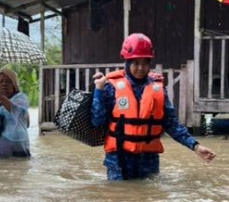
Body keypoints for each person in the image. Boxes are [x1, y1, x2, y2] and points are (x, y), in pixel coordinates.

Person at [92, 33, 216, 180]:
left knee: (150, 199)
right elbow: (97, 121)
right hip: (119, 158)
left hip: (148, 159)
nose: (140, 68)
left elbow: (172, 125)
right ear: (126, 62)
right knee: (120, 197)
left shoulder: (158, 89)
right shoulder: (110, 87)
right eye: (135, 63)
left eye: (145, 63)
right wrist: (98, 91)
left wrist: (195, 146)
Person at [0, 66, 31, 158]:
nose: (4, 84)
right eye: (1, 82)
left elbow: (19, 113)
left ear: (14, 85)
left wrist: (1, 97)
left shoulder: (21, 98)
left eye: (8, 82)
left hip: (19, 150)